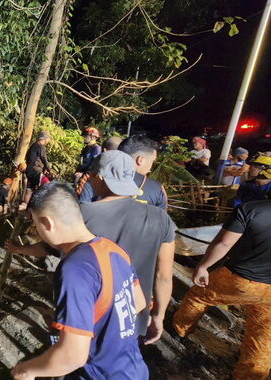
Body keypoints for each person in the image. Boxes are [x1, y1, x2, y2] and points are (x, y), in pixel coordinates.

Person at [7, 182, 147, 380]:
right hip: (133, 369)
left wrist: (25, 370)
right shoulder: (112, 248)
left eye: (36, 224)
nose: (38, 231)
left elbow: (72, 357)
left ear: (47, 223)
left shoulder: (75, 269)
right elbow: (138, 302)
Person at [80, 151, 176, 344]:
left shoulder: (82, 215)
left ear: (99, 177)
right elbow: (164, 276)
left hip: (88, 314)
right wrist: (158, 316)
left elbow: (56, 250)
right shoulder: (161, 218)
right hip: (132, 314)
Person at [172, 200, 271, 380]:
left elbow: (224, 244)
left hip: (239, 279)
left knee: (198, 296)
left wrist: (203, 266)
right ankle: (250, 375)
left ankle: (180, 330)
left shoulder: (251, 209)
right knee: (263, 334)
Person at [79, 135, 167, 210]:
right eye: (152, 161)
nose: (151, 168)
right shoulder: (158, 189)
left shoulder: (95, 177)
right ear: (140, 160)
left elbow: (82, 210)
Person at [19, 130, 51, 210]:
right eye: (48, 138)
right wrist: (49, 169)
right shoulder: (40, 146)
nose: (49, 140)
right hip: (35, 171)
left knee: (30, 189)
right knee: (47, 184)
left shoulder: (33, 146)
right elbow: (44, 159)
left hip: (29, 170)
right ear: (45, 138)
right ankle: (44, 206)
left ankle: (25, 205)